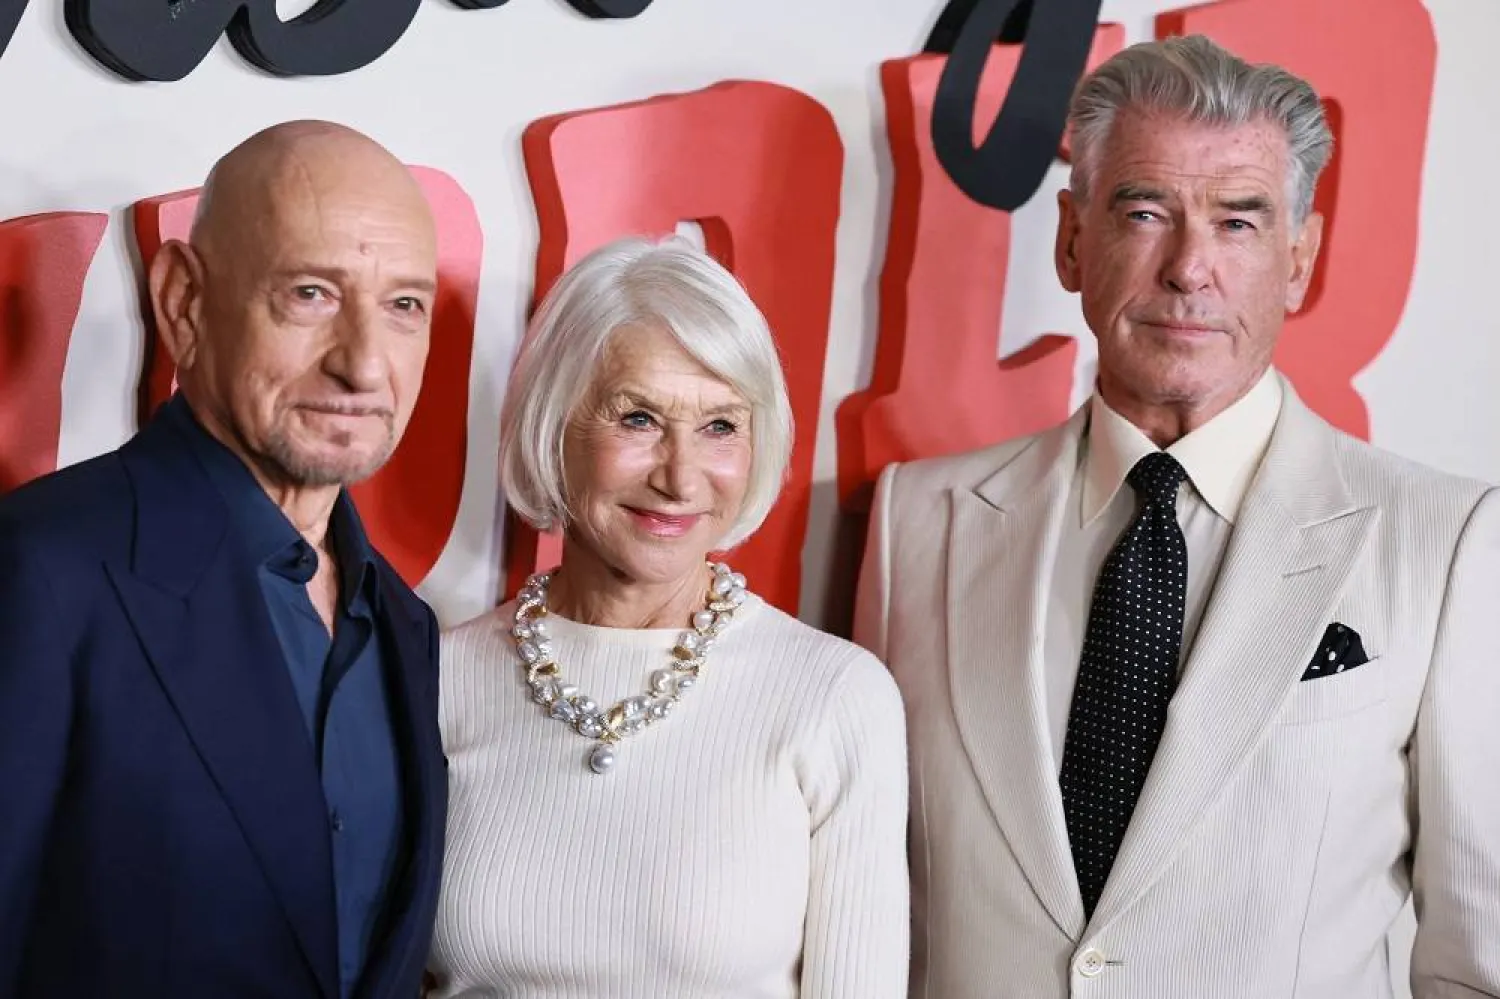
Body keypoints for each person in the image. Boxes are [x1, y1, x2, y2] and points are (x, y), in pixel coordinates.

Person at [855, 34, 1500, 999]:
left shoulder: (1446, 540)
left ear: (1299, 258)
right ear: (1075, 241)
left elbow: (1478, 961)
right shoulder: (919, 521)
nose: (1189, 269)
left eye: (1239, 222)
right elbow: (870, 912)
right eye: (1146, 211)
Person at [0, 120, 450, 998]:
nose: (364, 364)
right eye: (313, 292)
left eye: (403, 305)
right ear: (184, 301)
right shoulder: (42, 574)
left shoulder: (404, 623)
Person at [428, 235, 909, 997]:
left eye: (720, 425)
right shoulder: (439, 679)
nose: (681, 476)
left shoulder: (833, 694)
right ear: (555, 425)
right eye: (638, 418)